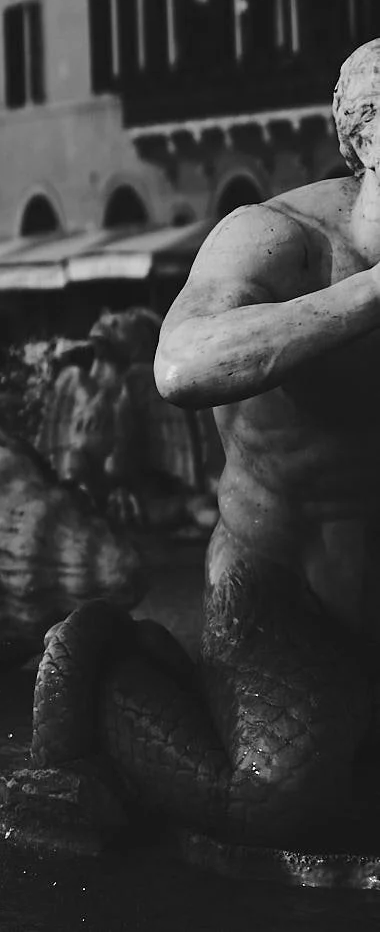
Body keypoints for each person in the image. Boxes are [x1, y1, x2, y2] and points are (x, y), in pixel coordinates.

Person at [19, 41, 380, 847]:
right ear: (364, 139)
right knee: (274, 800)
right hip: (284, 589)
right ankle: (117, 665)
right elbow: (182, 364)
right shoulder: (276, 237)